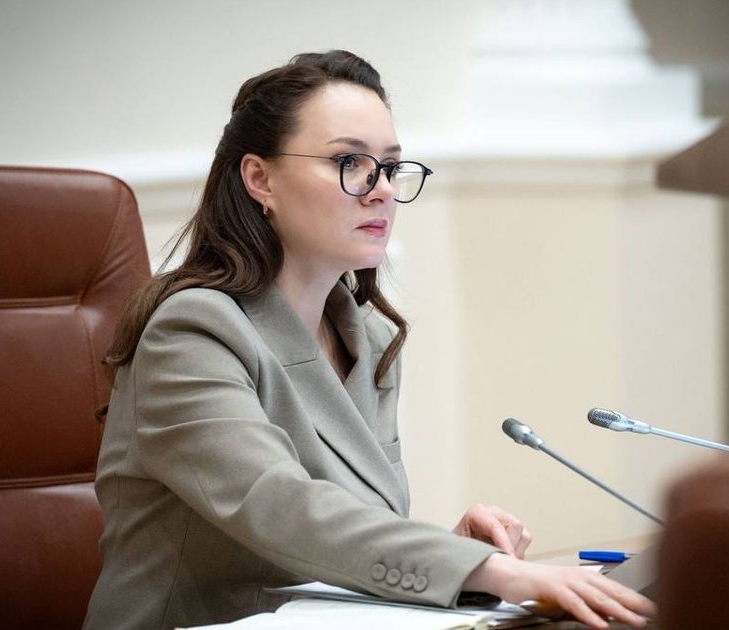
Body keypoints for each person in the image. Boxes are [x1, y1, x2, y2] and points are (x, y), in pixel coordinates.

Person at [82, 50, 654, 630]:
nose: (381, 189)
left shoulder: (369, 338)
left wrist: (451, 557)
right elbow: (282, 509)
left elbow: (342, 531)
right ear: (260, 179)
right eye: (349, 162)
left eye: (390, 166)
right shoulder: (192, 332)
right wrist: (483, 569)